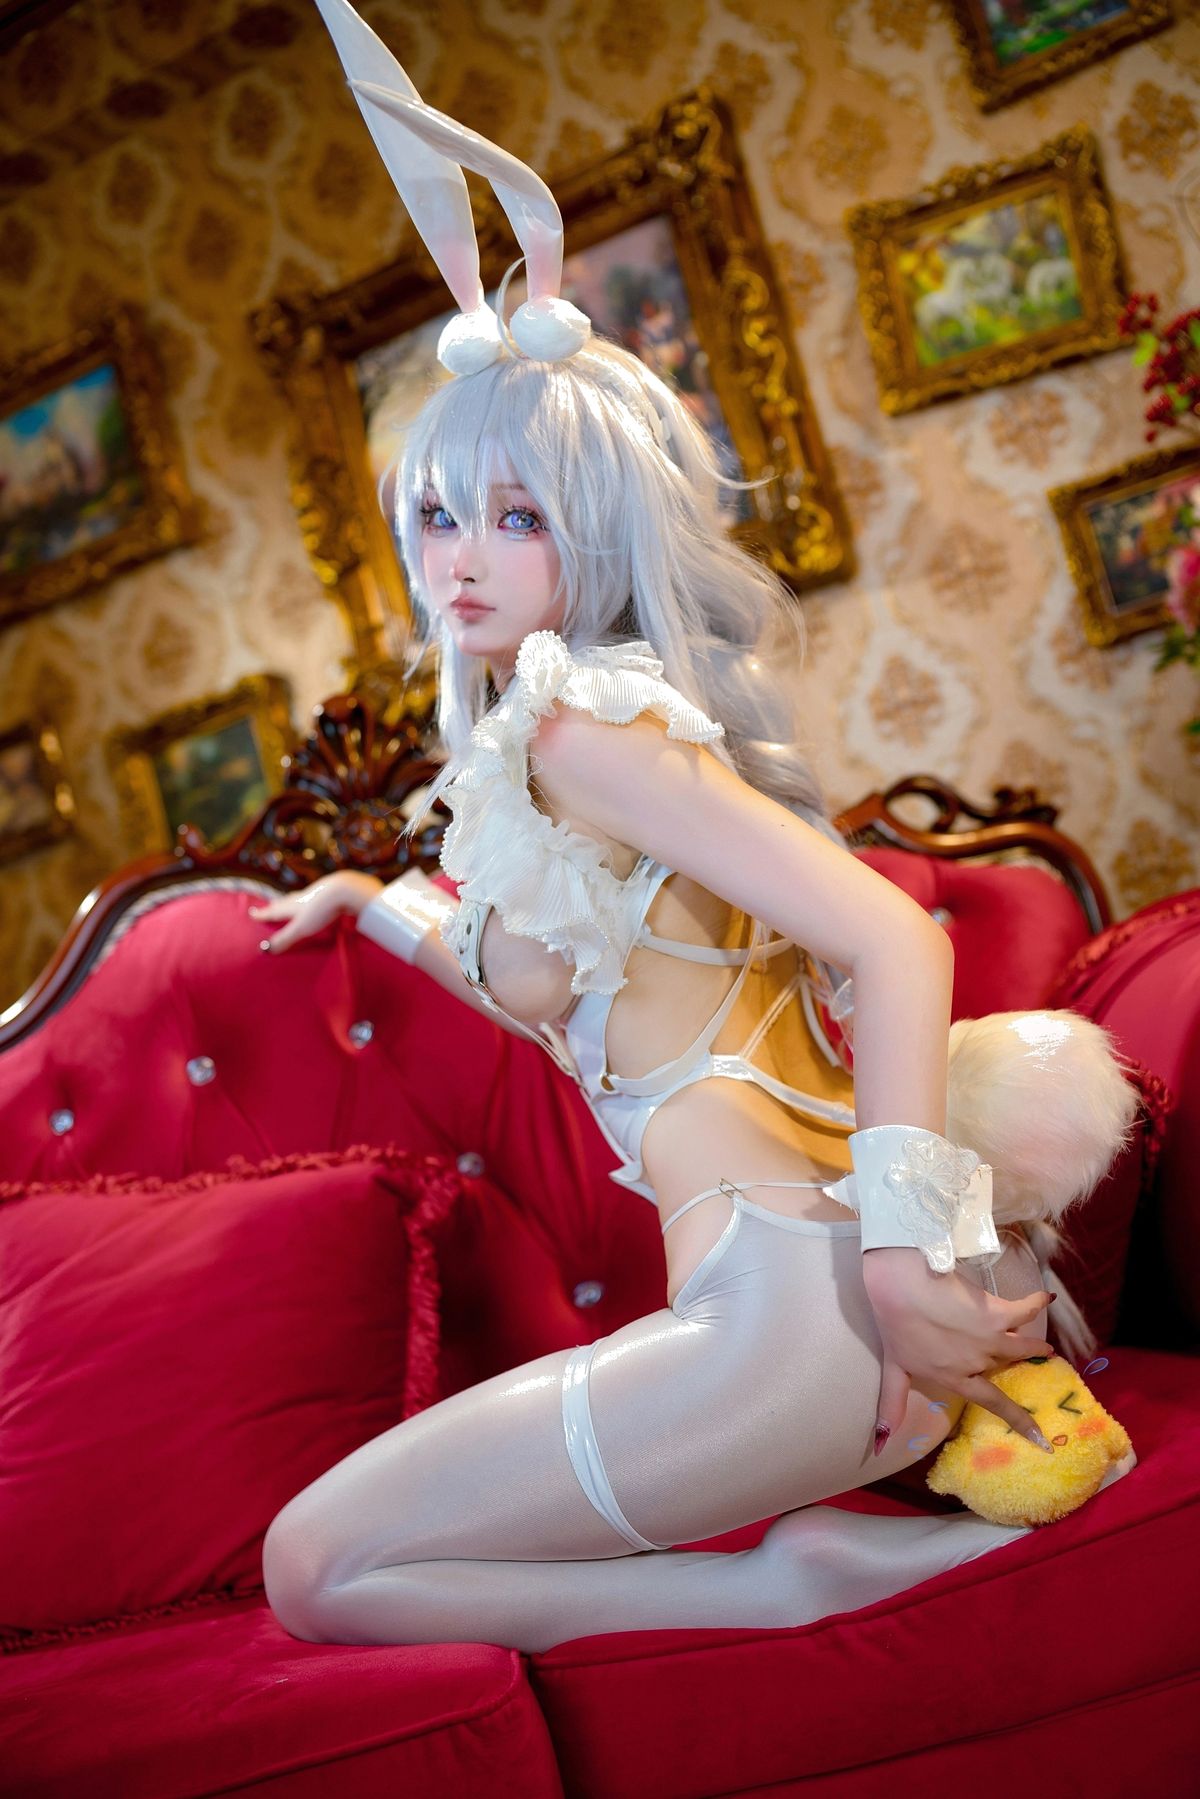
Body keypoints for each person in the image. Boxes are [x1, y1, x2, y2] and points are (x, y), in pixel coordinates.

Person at [250, 0, 1137, 1655]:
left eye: (518, 516)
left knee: (315, 1571)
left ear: (599, 532)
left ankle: (769, 1589)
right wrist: (368, 899)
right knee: (324, 1569)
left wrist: (909, 1262)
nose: (460, 557)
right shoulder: (560, 755)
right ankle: (779, 1575)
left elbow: (895, 936)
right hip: (795, 1334)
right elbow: (545, 984)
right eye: (436, 514)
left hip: (805, 1322)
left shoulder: (584, 726)